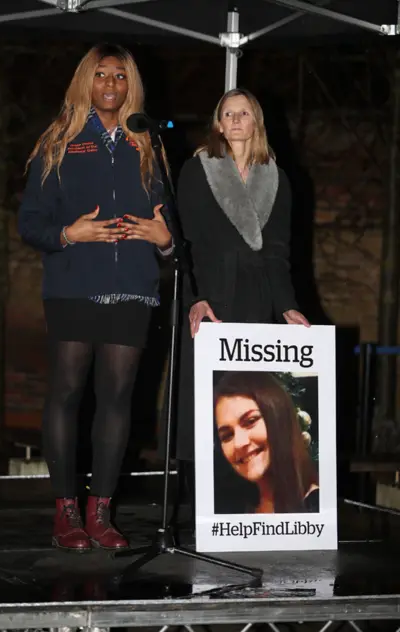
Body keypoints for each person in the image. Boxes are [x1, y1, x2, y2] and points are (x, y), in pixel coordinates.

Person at [18, 43, 173, 553]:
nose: (111, 83)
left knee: (118, 399)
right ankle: (65, 512)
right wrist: (70, 233)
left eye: (121, 76)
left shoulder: (147, 141)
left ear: (132, 85)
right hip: (72, 285)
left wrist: (165, 239)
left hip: (133, 286)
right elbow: (30, 223)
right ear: (86, 80)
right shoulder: (59, 141)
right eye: (102, 74)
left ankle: (101, 513)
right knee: (66, 393)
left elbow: (169, 224)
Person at [174, 88, 310, 513]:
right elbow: (186, 243)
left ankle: (247, 509)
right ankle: (202, 510)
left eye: (243, 113)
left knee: (249, 400)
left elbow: (278, 250)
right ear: (217, 123)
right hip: (212, 299)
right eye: (227, 113)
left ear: (256, 123)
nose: (235, 120)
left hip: (259, 302)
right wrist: (195, 299)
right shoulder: (198, 170)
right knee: (208, 404)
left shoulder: (277, 177)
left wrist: (287, 305)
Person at [213, 371, 319, 514]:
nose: (239, 443)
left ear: (278, 417)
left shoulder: (317, 507)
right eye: (227, 435)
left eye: (250, 421)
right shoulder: (234, 507)